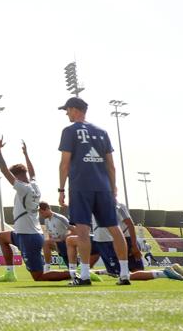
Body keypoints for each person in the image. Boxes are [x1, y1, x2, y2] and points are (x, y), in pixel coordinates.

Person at [57, 97, 131, 285]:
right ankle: (124, 274)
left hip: (81, 186)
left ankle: (84, 275)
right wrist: (113, 187)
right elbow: (111, 165)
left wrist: (61, 189)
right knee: (114, 228)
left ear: (75, 109)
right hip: (103, 187)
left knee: (82, 230)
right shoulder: (102, 132)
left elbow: (64, 164)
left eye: (67, 110)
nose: (66, 114)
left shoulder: (69, 131)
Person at [0, 137, 69, 282]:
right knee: (2, 237)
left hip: (28, 236)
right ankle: (9, 274)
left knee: (38, 276)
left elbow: (4, 170)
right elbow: (32, 173)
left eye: (14, 177)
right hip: (27, 233)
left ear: (17, 176)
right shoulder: (34, 185)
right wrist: (26, 154)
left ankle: (77, 273)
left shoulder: (23, 188)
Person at [39, 202, 72, 271]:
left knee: (73, 268)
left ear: (47, 209)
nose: (41, 215)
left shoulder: (60, 218)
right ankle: (47, 269)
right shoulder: (46, 220)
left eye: (42, 212)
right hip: (58, 245)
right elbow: (50, 235)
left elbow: (73, 231)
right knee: (46, 243)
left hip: (67, 244)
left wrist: (62, 238)